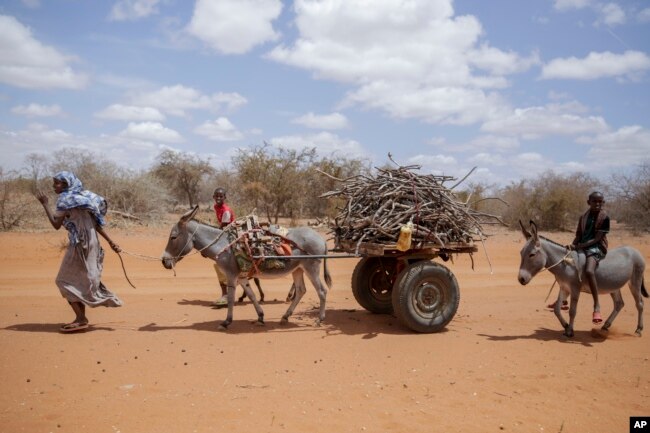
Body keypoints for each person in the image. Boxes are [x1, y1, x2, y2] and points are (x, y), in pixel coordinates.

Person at [36, 171, 122, 332]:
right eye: (54, 183)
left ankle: (81, 318)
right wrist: (111, 242)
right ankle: (81, 318)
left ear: (67, 184)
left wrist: (45, 204)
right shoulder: (86, 197)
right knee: (81, 279)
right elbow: (96, 224)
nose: (54, 186)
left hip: (79, 244)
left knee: (63, 280)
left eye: (58, 183)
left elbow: (56, 224)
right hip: (92, 243)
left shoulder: (65, 200)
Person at [569, 191, 610, 324]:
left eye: (600, 201)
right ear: (589, 202)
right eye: (595, 201)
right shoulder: (583, 217)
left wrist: (582, 245)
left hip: (596, 247)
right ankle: (563, 299)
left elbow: (598, 238)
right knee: (565, 265)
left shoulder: (605, 218)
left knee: (589, 271)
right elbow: (578, 235)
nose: (598, 204)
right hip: (582, 245)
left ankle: (597, 306)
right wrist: (572, 245)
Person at [211, 187, 235, 307]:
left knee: (219, 262)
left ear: (225, 198)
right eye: (217, 196)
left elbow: (224, 228)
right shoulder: (216, 207)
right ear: (213, 197)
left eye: (221, 196)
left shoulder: (225, 210)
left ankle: (226, 294)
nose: (219, 198)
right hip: (224, 233)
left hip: (229, 236)